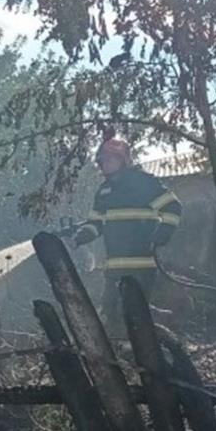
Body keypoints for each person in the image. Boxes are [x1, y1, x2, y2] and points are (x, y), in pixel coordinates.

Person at [71, 136, 182, 338]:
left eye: (109, 159)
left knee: (135, 316)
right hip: (114, 267)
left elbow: (173, 207)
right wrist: (84, 235)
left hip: (142, 265)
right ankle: (122, 352)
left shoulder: (143, 183)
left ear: (123, 160)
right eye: (102, 160)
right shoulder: (104, 191)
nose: (104, 164)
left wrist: (162, 234)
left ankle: (152, 347)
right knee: (110, 312)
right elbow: (96, 222)